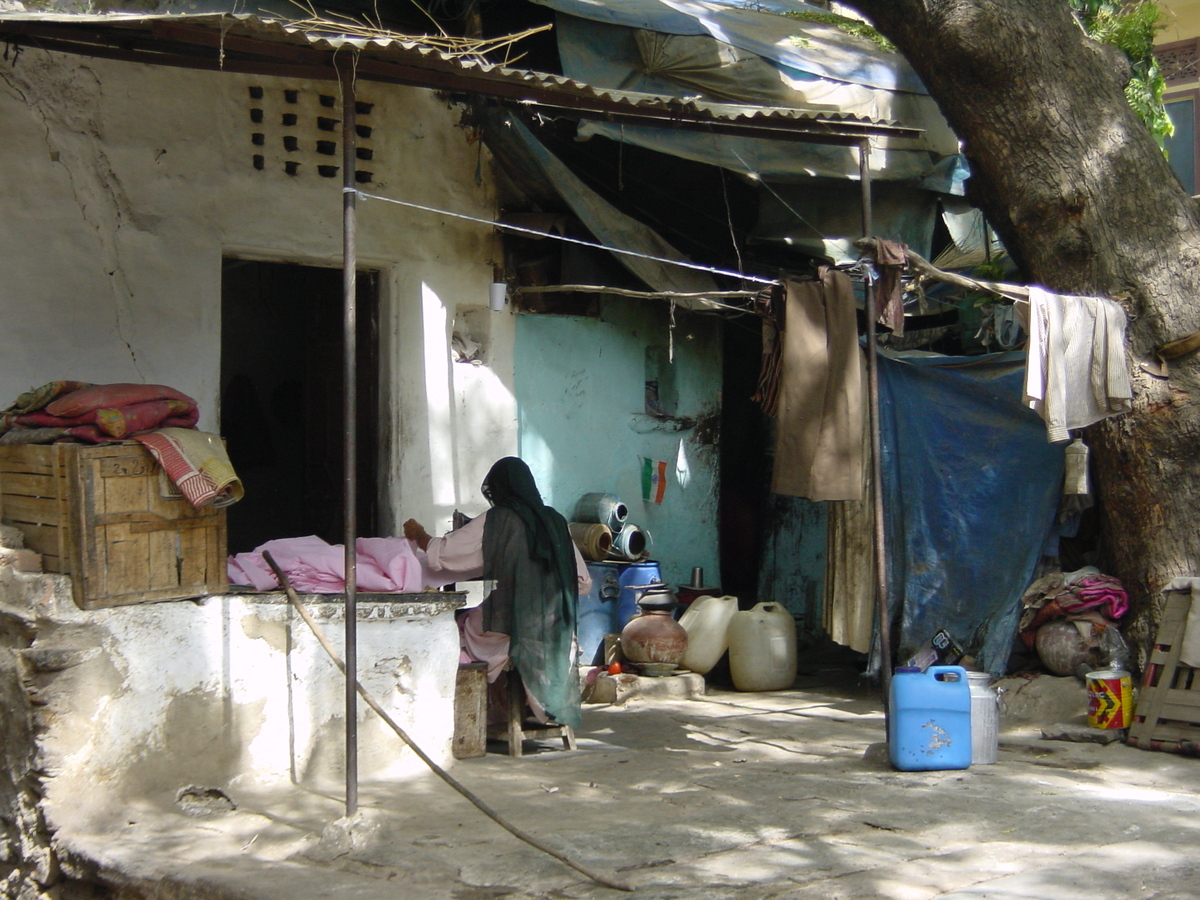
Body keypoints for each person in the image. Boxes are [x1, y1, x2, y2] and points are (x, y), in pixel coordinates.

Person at [403, 457, 590, 729]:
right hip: (557, 630)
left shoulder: (498, 519)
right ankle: (522, 704)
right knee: (492, 615)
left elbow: (444, 553)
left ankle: (494, 709)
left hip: (512, 630)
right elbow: (583, 581)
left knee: (461, 625)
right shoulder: (555, 521)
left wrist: (419, 534)